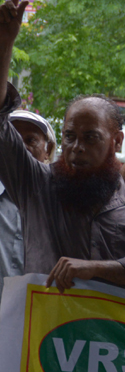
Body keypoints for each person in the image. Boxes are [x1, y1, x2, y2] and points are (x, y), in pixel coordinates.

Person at [0, 0, 125, 295]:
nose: (77, 148)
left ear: (116, 139)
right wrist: (4, 45)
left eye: (90, 137)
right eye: (69, 137)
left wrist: (97, 269)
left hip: (116, 343)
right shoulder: (36, 186)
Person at [0, 109, 59, 295]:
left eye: (30, 140)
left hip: (38, 317)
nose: (20, 147)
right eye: (13, 140)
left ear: (48, 150)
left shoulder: (62, 203)